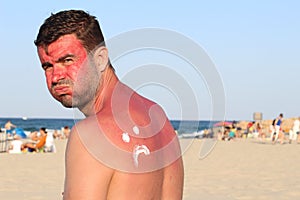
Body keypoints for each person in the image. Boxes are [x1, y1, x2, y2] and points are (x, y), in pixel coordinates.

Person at [34, 10, 183, 199]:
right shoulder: (159, 118)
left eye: (67, 60)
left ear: (100, 59)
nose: (56, 77)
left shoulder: (91, 134)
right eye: (47, 66)